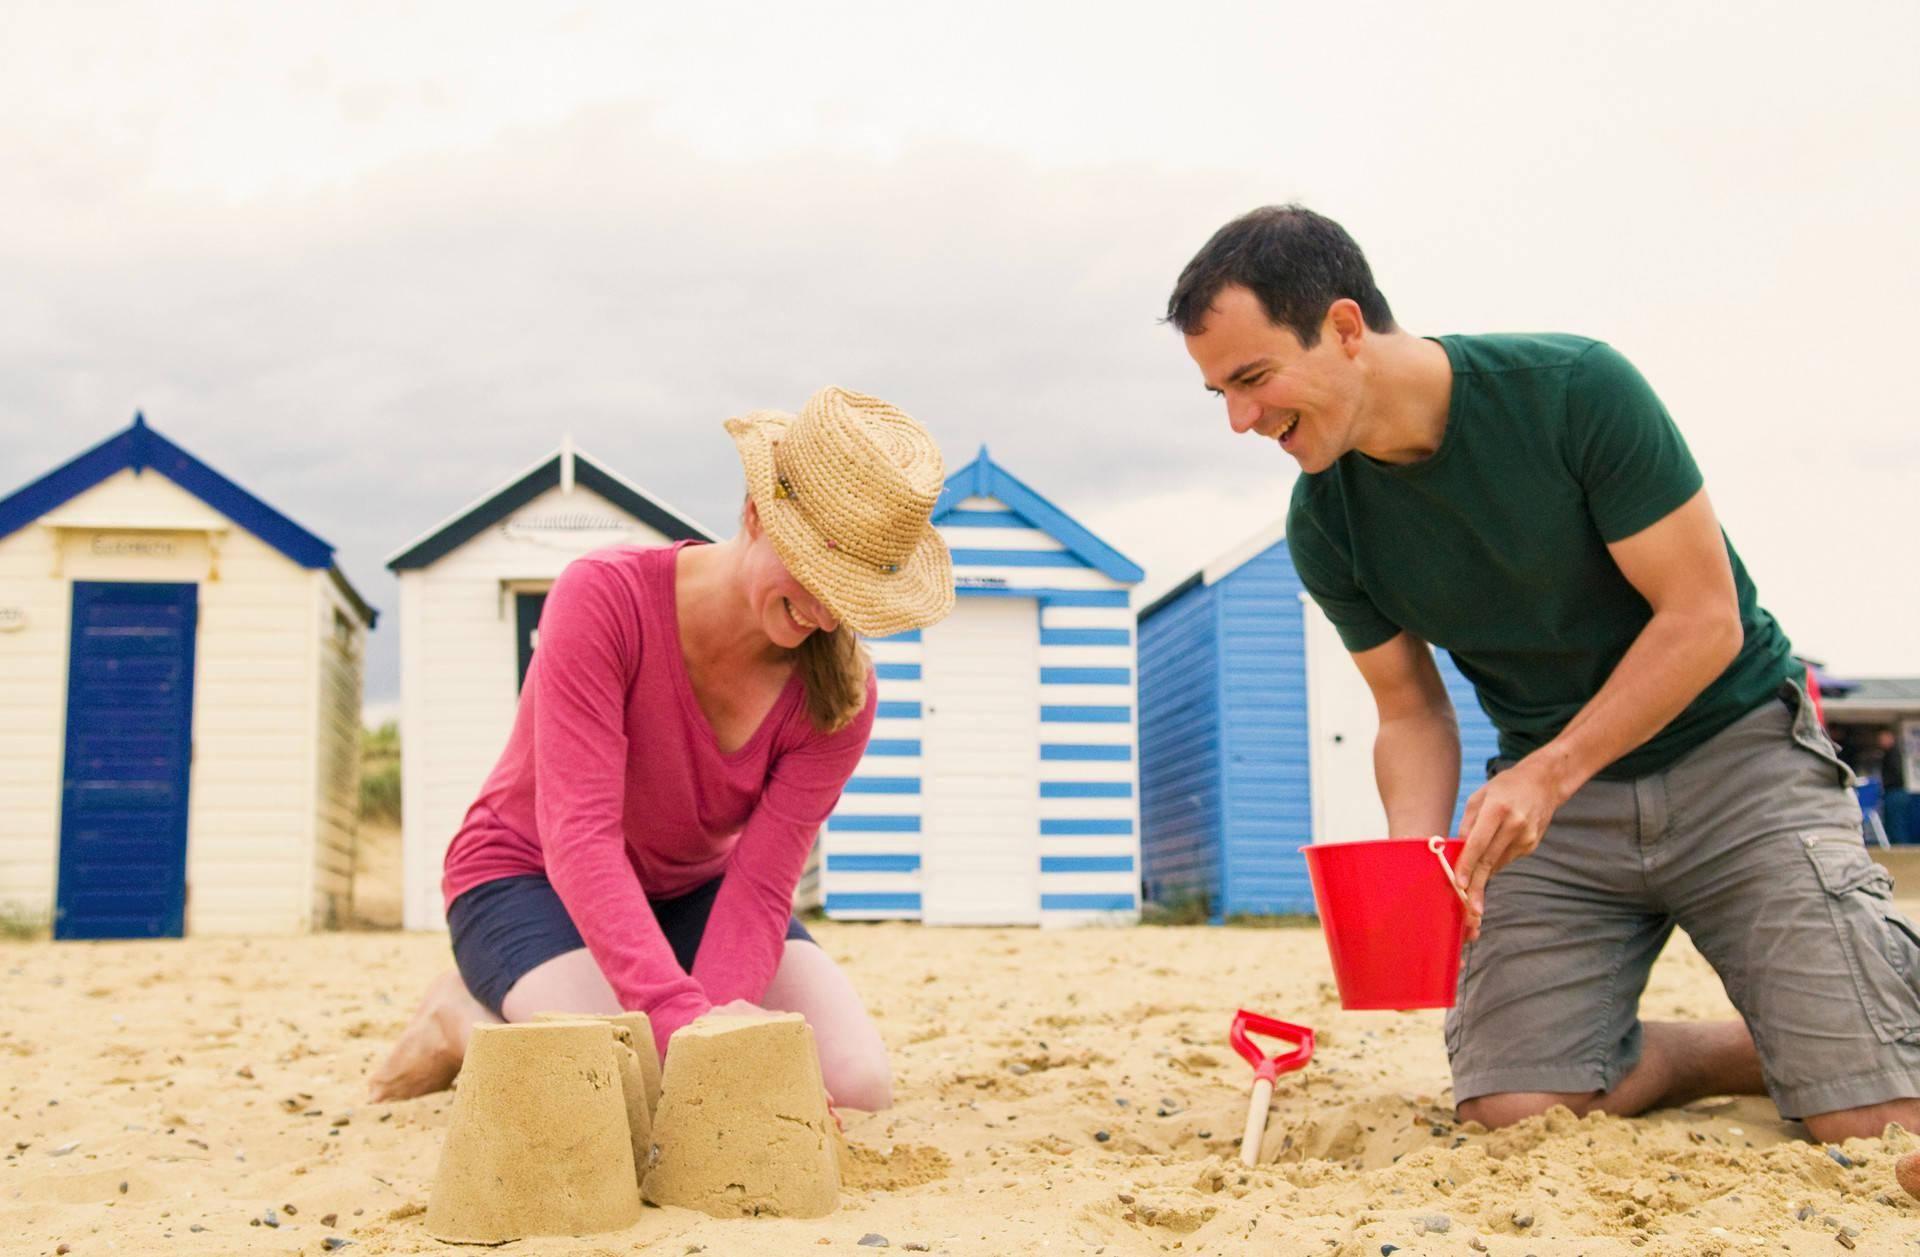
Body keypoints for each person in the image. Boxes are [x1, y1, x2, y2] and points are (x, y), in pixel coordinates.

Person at [1166, 205, 1920, 1142]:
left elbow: (1704, 621)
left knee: (1877, 1121)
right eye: (1219, 395)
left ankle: (1861, 1012)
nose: (1241, 420)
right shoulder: (1324, 523)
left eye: (1253, 377)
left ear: (1347, 328)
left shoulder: (1573, 391)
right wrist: (1416, 861)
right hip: (1563, 818)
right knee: (1511, 1110)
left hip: (1739, 765)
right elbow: (1410, 712)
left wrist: (1548, 771)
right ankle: (1730, 1051)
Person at [368, 386, 954, 1110]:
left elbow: (762, 883)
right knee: (628, 1085)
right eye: (815, 568)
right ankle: (462, 1017)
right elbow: (578, 834)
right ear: (754, 513)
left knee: (854, 1087)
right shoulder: (604, 599)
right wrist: (683, 1025)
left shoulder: (842, 698)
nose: (827, 610)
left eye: (853, 591)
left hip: (688, 892)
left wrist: (708, 1031)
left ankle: (594, 1007)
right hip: (529, 874)